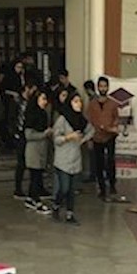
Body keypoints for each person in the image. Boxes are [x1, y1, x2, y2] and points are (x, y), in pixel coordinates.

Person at [51, 91, 94, 225]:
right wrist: (69, 137)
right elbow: (56, 139)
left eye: (80, 101)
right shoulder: (62, 119)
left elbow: (91, 130)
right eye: (75, 101)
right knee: (64, 187)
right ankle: (56, 206)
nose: (79, 104)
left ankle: (70, 214)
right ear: (70, 103)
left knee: (71, 189)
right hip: (63, 158)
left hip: (75, 158)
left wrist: (83, 140)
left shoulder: (81, 120)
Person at [87, 76, 120, 201]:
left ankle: (112, 185)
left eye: (105, 86)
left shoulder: (113, 103)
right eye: (101, 86)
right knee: (98, 163)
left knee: (110, 161)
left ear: (108, 87)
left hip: (110, 136)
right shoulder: (92, 104)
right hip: (96, 137)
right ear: (98, 87)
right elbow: (88, 121)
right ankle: (101, 188)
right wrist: (89, 138)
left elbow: (116, 118)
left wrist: (112, 127)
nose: (103, 88)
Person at [23, 90, 53, 213]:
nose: (45, 102)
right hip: (33, 149)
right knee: (35, 175)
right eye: (42, 99)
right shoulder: (31, 115)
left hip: (42, 149)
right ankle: (35, 200)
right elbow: (28, 135)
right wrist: (44, 134)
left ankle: (31, 198)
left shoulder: (43, 114)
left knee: (38, 175)